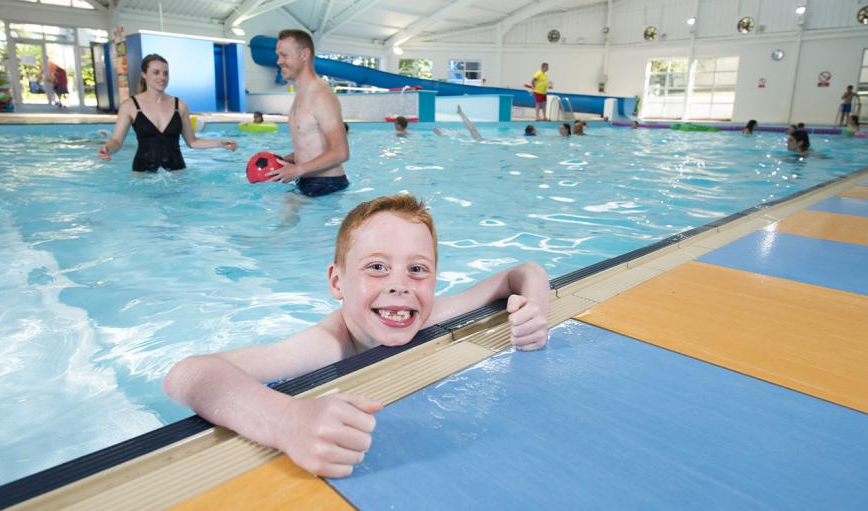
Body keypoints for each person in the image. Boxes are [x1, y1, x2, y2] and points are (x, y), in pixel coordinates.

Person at [163, 194, 550, 478]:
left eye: (417, 269)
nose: (400, 285)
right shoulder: (329, 344)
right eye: (377, 267)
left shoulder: (432, 314)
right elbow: (187, 375)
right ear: (337, 281)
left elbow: (523, 271)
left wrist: (534, 310)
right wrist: (287, 421)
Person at [97, 54, 237, 171]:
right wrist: (107, 148)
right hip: (143, 174)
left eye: (165, 73)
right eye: (156, 72)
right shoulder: (130, 106)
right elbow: (116, 141)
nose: (162, 77)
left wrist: (219, 143)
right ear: (144, 75)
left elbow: (192, 142)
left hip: (177, 173)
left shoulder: (179, 105)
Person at [265, 29, 350, 197]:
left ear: (304, 54)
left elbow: (341, 152)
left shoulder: (321, 96)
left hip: (327, 185)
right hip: (305, 180)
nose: (278, 61)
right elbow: (310, 147)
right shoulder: (302, 93)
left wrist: (297, 170)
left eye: (284, 55)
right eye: (278, 55)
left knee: (285, 221)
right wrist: (282, 161)